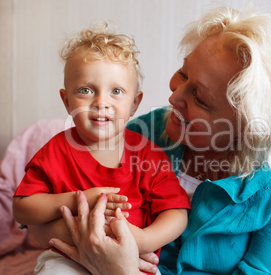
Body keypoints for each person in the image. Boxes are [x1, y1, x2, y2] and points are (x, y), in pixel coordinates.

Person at [30, 6, 271, 274]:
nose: (174, 96)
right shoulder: (146, 133)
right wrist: (87, 239)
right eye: (183, 73)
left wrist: (119, 270)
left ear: (247, 127)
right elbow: (50, 211)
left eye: (199, 96)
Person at [12, 23, 191, 275]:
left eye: (116, 91)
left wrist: (142, 240)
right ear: (66, 100)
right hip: (68, 258)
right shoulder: (56, 150)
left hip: (132, 260)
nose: (101, 103)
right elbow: (22, 208)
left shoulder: (148, 155)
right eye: (86, 90)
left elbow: (176, 213)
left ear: (134, 104)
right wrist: (79, 200)